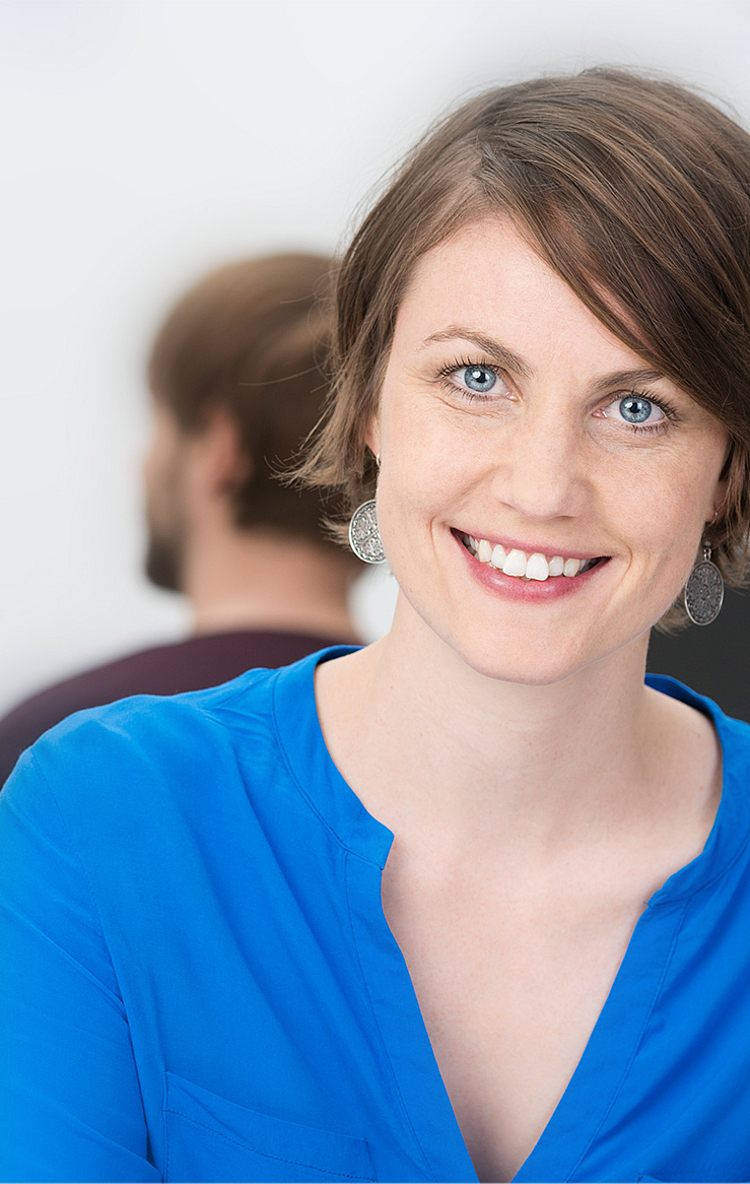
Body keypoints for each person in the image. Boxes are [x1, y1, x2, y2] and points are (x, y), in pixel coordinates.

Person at [2, 68, 750, 1184]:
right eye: (477, 377)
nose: (542, 486)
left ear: (728, 470)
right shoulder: (105, 821)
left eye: (637, 407)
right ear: (367, 403)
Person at [0, 252, 361, 786]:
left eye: (159, 422)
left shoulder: (56, 742)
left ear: (217, 447)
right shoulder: (435, 733)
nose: (142, 464)